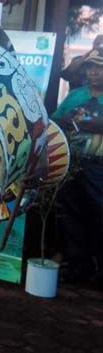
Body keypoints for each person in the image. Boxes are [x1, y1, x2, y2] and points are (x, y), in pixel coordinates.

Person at [54, 48, 103, 285]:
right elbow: (57, 119)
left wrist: (94, 123)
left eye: (99, 68)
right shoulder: (76, 96)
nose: (94, 72)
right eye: (91, 67)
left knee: (100, 216)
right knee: (71, 216)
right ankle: (77, 266)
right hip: (73, 164)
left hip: (99, 169)